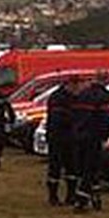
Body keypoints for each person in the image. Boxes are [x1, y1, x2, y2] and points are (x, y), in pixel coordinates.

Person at [70, 74, 109, 211]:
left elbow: (75, 115)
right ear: (105, 80)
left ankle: (95, 198)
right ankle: (81, 200)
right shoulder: (104, 96)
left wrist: (76, 132)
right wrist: (105, 136)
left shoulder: (83, 94)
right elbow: (106, 118)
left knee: (84, 168)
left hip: (80, 136)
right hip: (93, 136)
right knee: (91, 169)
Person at [44, 76, 80, 205]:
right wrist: (75, 119)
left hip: (70, 137)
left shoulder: (75, 97)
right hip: (57, 137)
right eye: (74, 85)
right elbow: (58, 118)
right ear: (68, 85)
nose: (76, 88)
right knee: (55, 167)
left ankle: (71, 196)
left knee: (72, 167)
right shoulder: (57, 97)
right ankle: (53, 197)